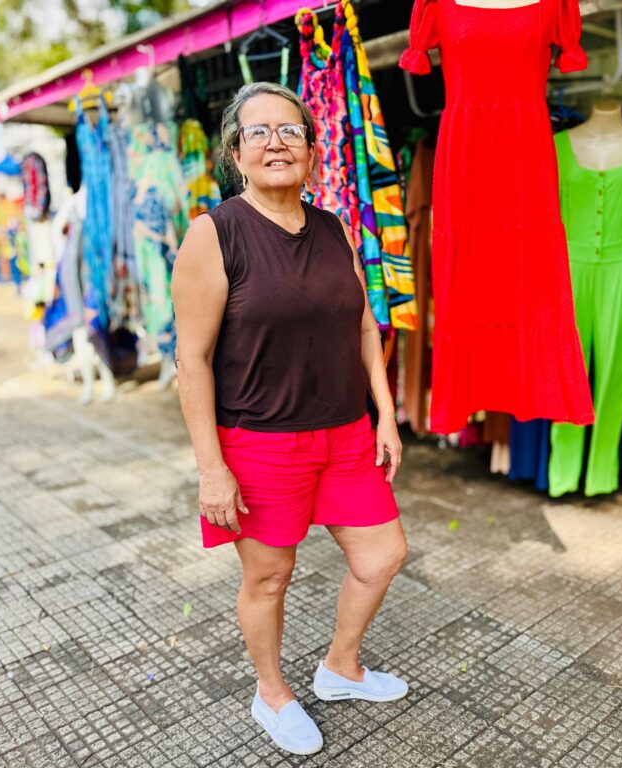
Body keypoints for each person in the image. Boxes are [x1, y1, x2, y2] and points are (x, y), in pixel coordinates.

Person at [171, 82, 409, 757]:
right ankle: (272, 693)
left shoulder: (334, 227)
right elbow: (192, 359)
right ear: (236, 153)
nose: (276, 142)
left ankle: (340, 668)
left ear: (311, 147)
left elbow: (364, 323)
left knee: (383, 555)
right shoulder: (214, 234)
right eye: (258, 132)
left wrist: (385, 417)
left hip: (345, 435)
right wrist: (211, 469)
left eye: (290, 131)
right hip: (259, 441)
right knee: (270, 577)